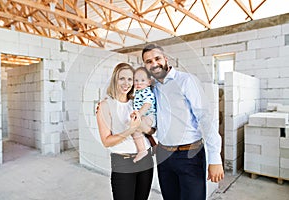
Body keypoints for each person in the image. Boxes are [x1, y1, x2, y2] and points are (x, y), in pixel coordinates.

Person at [141, 44, 224, 200]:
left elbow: (206, 118)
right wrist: (106, 103)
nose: (154, 63)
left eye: (157, 58)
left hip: (189, 156)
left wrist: (215, 158)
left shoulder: (186, 81)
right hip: (163, 156)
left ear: (166, 59)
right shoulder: (152, 87)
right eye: (148, 61)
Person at [96, 63, 154, 200]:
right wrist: (131, 129)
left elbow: (151, 131)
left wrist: (143, 127)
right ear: (115, 79)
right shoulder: (105, 105)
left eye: (130, 79)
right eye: (122, 78)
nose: (126, 83)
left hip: (146, 160)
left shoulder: (136, 102)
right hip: (123, 163)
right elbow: (106, 141)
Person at [131, 67, 156, 163]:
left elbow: (147, 104)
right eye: (136, 80)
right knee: (138, 130)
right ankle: (152, 144)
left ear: (149, 82)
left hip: (149, 116)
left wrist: (139, 114)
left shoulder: (146, 91)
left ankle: (142, 150)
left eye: (142, 80)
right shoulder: (138, 91)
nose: (138, 83)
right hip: (144, 116)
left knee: (135, 128)